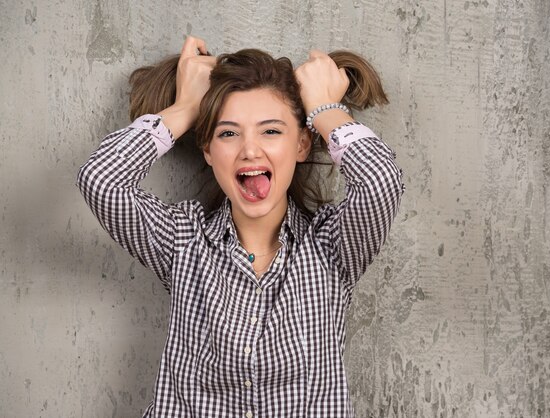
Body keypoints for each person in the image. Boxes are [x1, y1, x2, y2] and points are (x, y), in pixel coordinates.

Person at [77, 36, 404, 417]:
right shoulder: (182, 241)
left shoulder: (333, 248)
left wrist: (325, 110)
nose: (250, 149)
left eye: (271, 131)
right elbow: (101, 180)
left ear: (301, 145)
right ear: (208, 151)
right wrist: (184, 108)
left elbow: (381, 182)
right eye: (228, 133)